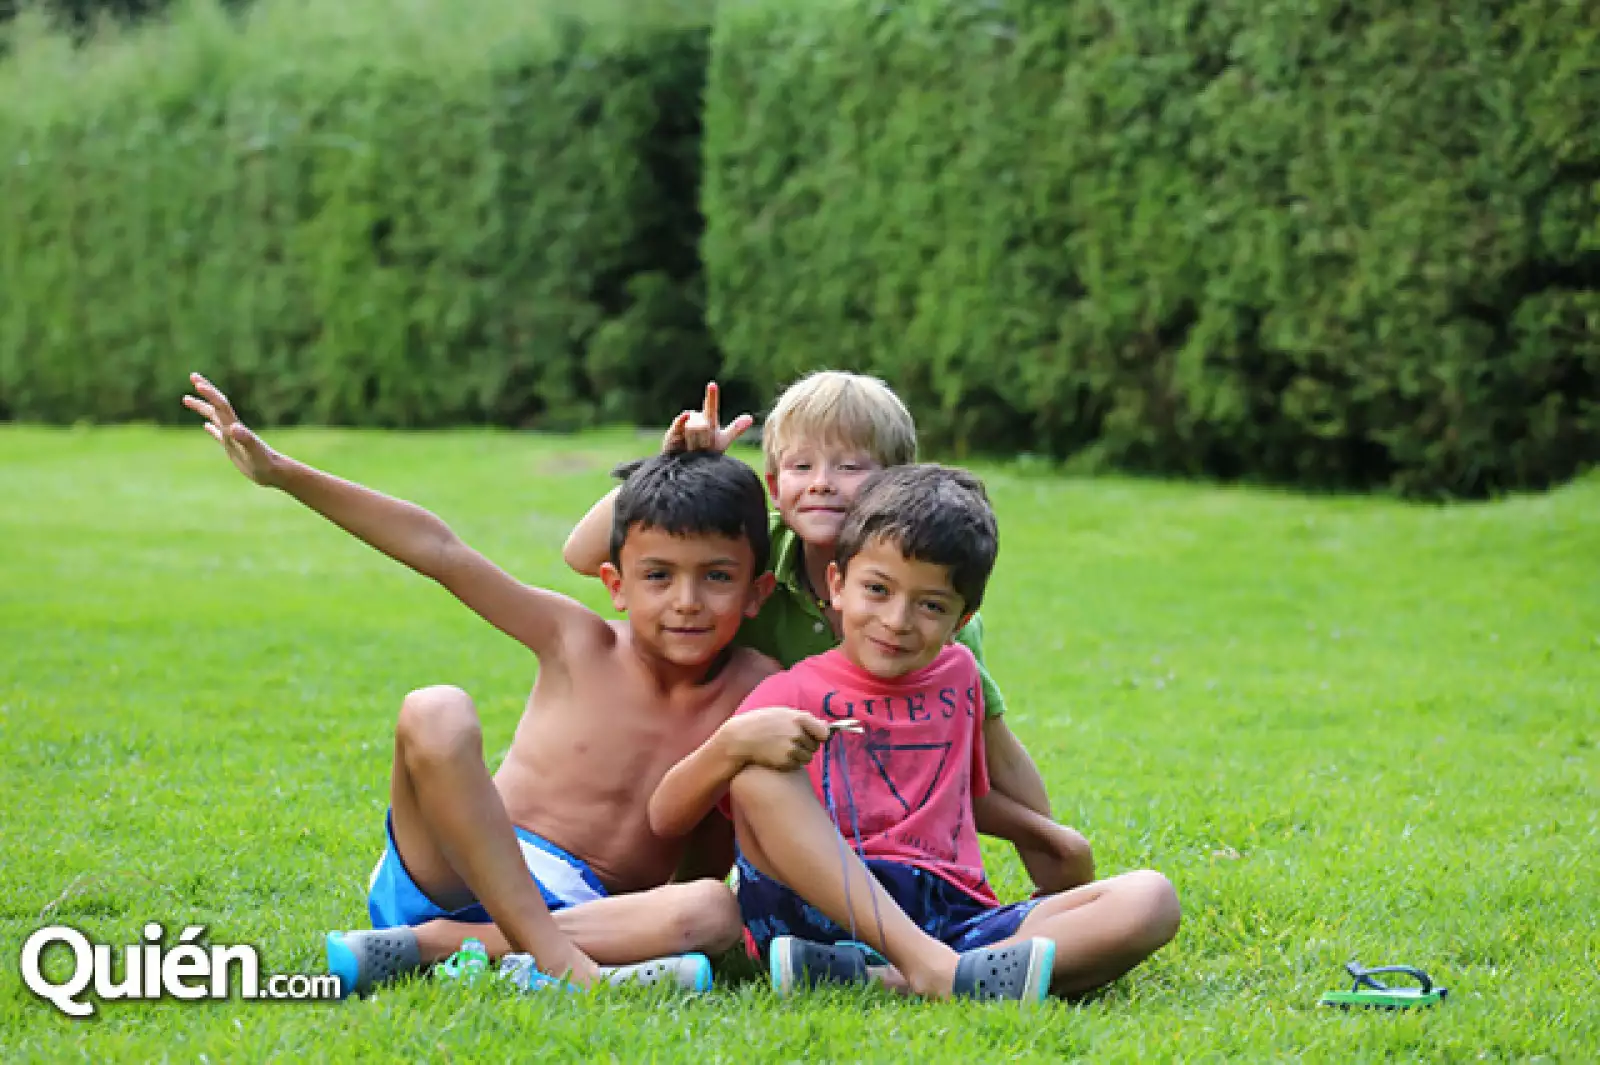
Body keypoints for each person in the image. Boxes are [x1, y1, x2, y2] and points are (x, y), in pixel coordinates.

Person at [181, 373, 779, 996]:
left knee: (711, 908)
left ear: (757, 592)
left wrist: (663, 921)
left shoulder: (757, 688)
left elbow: (711, 844)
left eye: (716, 577)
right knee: (434, 709)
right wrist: (281, 472)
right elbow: (438, 549)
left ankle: (440, 947)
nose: (686, 602)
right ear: (616, 585)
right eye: (658, 576)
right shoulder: (577, 640)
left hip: (587, 909)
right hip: (458, 868)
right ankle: (556, 962)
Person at [649, 465, 1182, 1003]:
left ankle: (899, 979)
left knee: (1150, 898)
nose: (898, 620)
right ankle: (935, 969)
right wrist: (733, 743)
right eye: (877, 590)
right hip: (822, 910)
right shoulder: (789, 691)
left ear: (962, 620)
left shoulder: (961, 675)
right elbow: (666, 815)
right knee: (757, 777)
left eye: (931, 605)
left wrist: (1046, 836)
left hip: (949, 914)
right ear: (837, 584)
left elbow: (951, 795)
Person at [563, 374, 1093, 893]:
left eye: (849, 466)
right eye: (802, 466)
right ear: (775, 486)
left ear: (895, 485)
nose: (821, 482)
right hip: (759, 775)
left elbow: (994, 746)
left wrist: (1049, 848)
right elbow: (582, 555)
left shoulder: (929, 609)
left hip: (882, 800)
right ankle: (688, 901)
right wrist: (673, 466)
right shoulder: (755, 554)